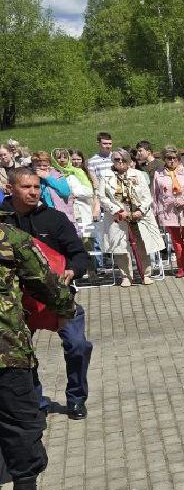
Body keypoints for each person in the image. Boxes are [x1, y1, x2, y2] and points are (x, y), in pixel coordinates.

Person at [1, 168, 93, 419]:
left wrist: (73, 270)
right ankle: (36, 402)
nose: (33, 192)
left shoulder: (54, 219)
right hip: (17, 304)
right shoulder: (2, 223)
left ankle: (76, 397)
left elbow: (79, 254)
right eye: (26, 187)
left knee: (78, 346)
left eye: (36, 186)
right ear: (10, 188)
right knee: (20, 357)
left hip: (58, 298)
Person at [0, 224, 75, 490]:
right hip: (6, 349)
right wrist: (65, 311)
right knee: (20, 421)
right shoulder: (9, 237)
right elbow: (46, 283)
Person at [97, 149, 164, 286]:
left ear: (129, 161)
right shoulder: (105, 175)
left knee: (142, 245)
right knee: (121, 247)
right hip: (118, 216)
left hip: (138, 216)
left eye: (123, 160)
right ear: (113, 161)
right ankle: (126, 276)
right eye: (117, 160)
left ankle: (146, 274)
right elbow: (102, 197)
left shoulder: (138, 174)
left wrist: (141, 210)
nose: (120, 162)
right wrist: (117, 210)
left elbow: (147, 196)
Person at [151, 145, 184, 277]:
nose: (172, 161)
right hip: (168, 212)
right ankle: (181, 266)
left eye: (174, 158)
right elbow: (155, 195)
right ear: (164, 159)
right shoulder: (158, 174)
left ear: (179, 159)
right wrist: (155, 213)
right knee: (176, 241)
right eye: (168, 158)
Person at [30, 152, 75, 227]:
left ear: (49, 165)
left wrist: (48, 178)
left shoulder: (57, 176)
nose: (42, 168)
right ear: (33, 166)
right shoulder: (30, 178)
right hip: (40, 215)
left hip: (60, 213)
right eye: (38, 165)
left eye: (45, 165)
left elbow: (65, 193)